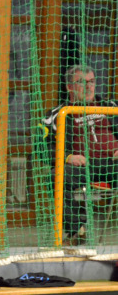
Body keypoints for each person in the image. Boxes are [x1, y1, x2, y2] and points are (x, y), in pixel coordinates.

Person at [40, 64, 118, 245]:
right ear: (69, 87)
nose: (89, 87)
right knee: (56, 176)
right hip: (82, 167)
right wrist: (67, 157)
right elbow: (41, 148)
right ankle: (77, 230)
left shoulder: (112, 106)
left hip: (113, 164)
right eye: (82, 82)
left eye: (92, 81)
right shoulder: (56, 115)